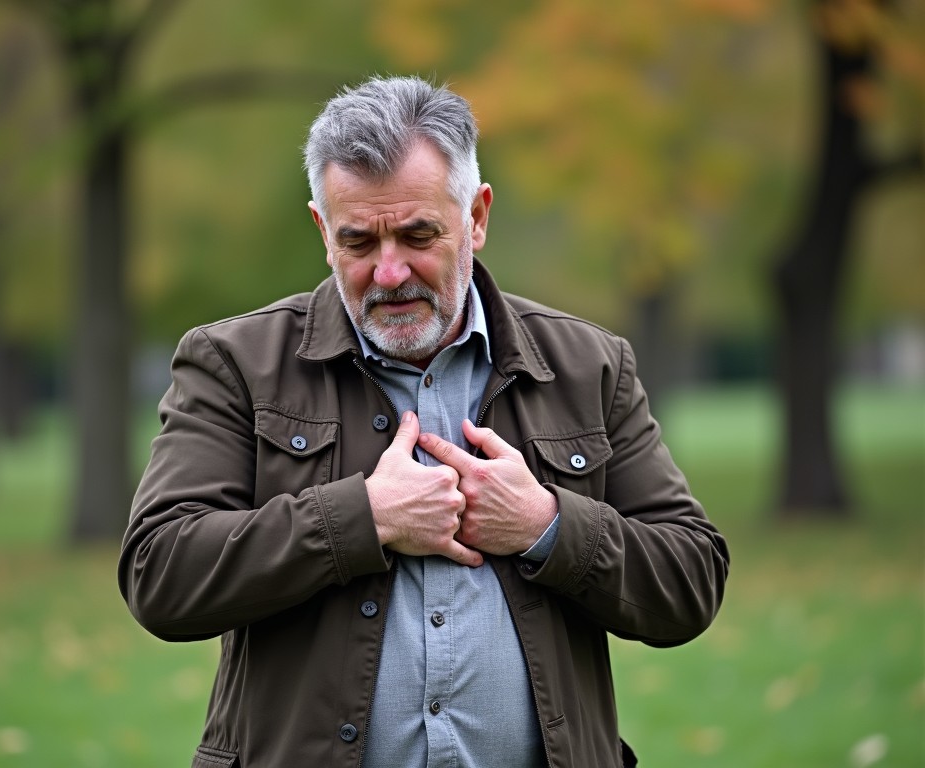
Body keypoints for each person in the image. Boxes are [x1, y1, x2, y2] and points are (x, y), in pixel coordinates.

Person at [118, 75, 729, 768]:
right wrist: (362, 519)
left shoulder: (590, 365)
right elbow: (159, 572)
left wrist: (546, 526)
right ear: (323, 231)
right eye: (358, 241)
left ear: (477, 217)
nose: (388, 272)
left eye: (417, 234)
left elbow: (691, 579)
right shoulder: (234, 364)